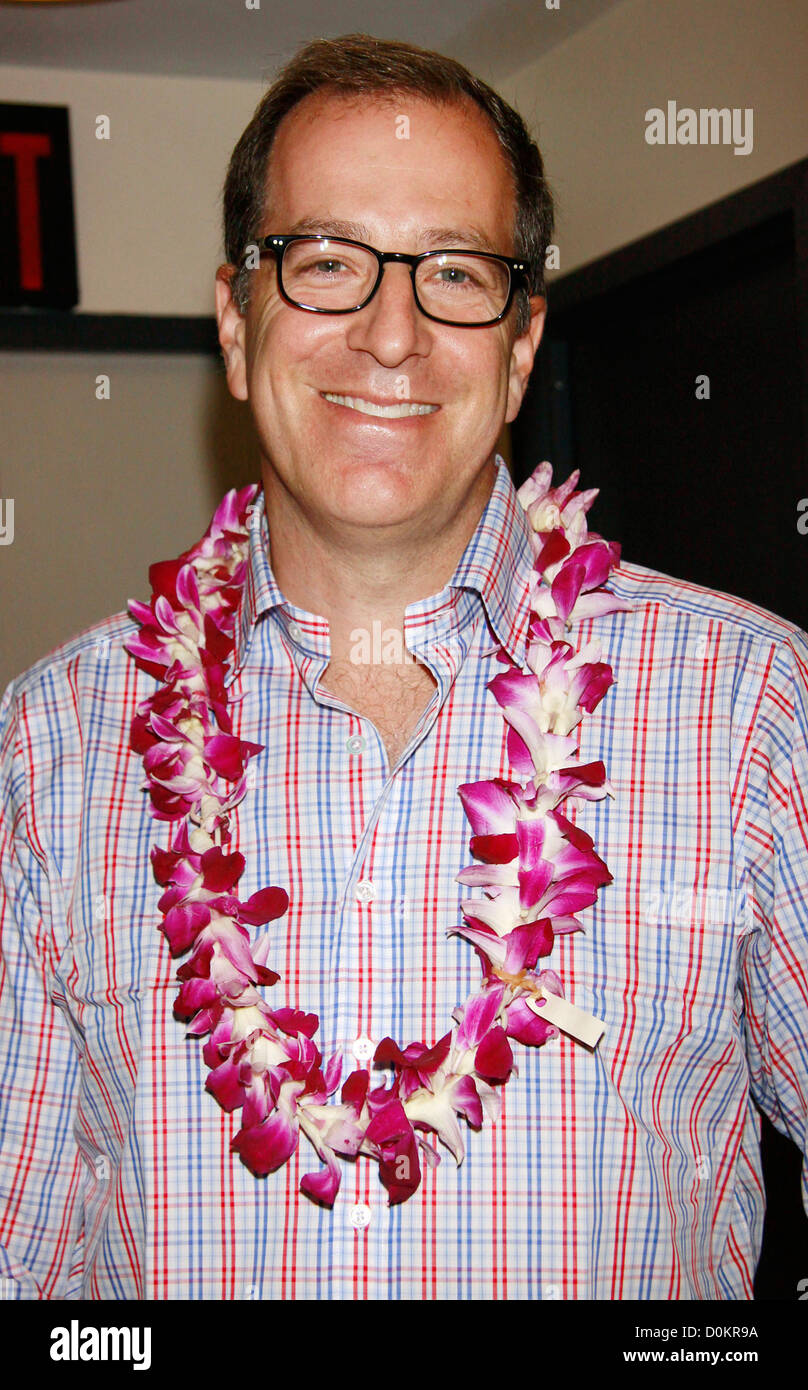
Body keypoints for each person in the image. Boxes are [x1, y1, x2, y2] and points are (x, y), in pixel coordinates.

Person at [1, 33, 806, 1303]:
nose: (392, 334)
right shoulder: (50, 743)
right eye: (323, 263)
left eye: (455, 272)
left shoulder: (752, 704)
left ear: (523, 339)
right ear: (234, 312)